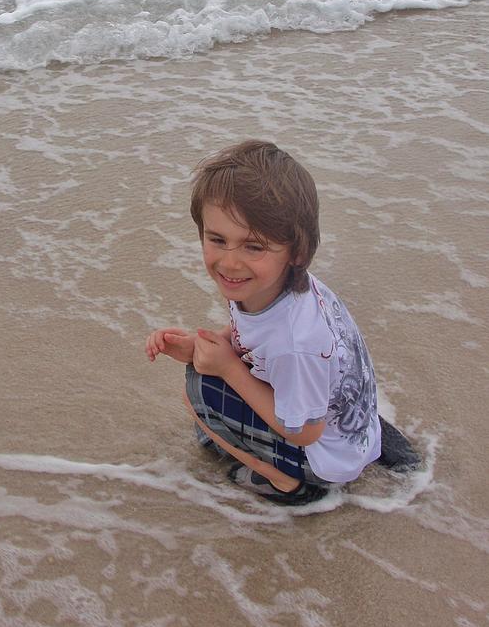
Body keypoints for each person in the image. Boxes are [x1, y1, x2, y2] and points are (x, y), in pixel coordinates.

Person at [145, 140, 381, 506]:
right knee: (205, 371)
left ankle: (288, 485)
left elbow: (304, 432)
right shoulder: (270, 286)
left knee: (198, 392)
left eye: (253, 246)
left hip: (328, 457)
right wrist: (200, 344)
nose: (230, 262)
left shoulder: (296, 340)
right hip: (352, 429)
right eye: (217, 239)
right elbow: (254, 332)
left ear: (296, 251)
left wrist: (228, 370)